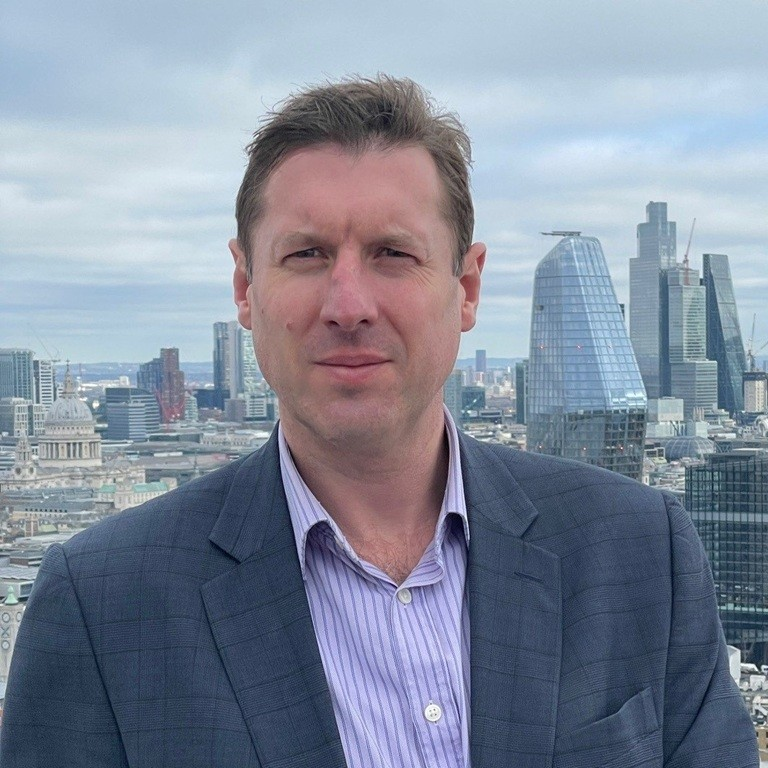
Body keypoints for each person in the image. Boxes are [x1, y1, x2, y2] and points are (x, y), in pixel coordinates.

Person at [1, 76, 757, 768]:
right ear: (245, 287)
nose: (349, 303)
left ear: (465, 289)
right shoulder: (101, 605)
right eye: (306, 254)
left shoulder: (638, 551)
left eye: (394, 254)